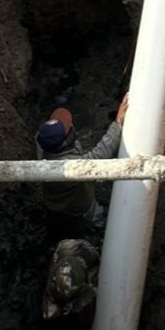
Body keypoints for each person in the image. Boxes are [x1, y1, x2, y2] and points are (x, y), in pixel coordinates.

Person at [35, 95, 129, 235]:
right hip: (78, 204)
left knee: (61, 213)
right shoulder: (72, 167)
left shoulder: (41, 141)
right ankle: (98, 223)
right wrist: (118, 122)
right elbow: (101, 153)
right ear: (66, 141)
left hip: (53, 199)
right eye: (68, 128)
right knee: (89, 213)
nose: (71, 125)